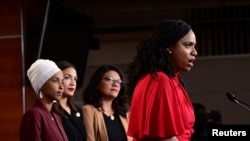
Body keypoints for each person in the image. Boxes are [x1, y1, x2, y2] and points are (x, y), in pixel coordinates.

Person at [126, 19, 198, 141]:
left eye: (194, 46)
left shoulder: (170, 80)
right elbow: (164, 138)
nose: (194, 52)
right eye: (188, 45)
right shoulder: (160, 80)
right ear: (169, 47)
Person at [19, 59, 68, 141]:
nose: (61, 86)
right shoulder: (33, 115)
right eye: (55, 80)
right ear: (41, 84)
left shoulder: (56, 116)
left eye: (62, 81)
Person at [82, 64, 132, 141]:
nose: (115, 84)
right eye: (110, 79)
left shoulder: (125, 113)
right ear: (97, 84)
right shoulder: (88, 110)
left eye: (119, 81)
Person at [53, 61, 87, 141]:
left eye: (75, 79)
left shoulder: (78, 110)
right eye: (67, 77)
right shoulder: (51, 111)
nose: (73, 83)